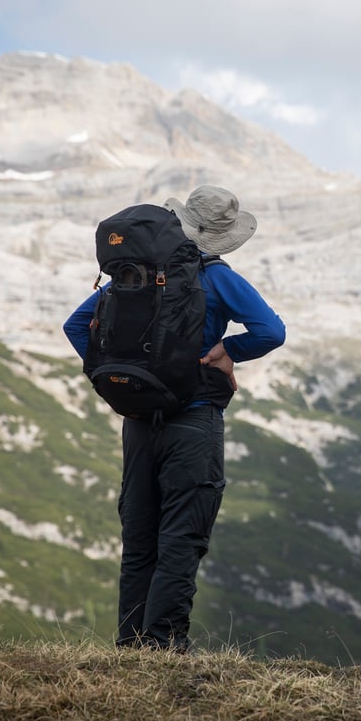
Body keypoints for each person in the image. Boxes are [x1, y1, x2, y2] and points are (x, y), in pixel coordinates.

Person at [63, 185, 285, 651]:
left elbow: (76, 326)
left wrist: (116, 376)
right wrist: (227, 350)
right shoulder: (218, 278)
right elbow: (271, 331)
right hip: (194, 421)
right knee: (181, 538)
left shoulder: (131, 275)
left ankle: (131, 645)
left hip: (139, 421)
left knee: (140, 539)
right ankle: (163, 648)